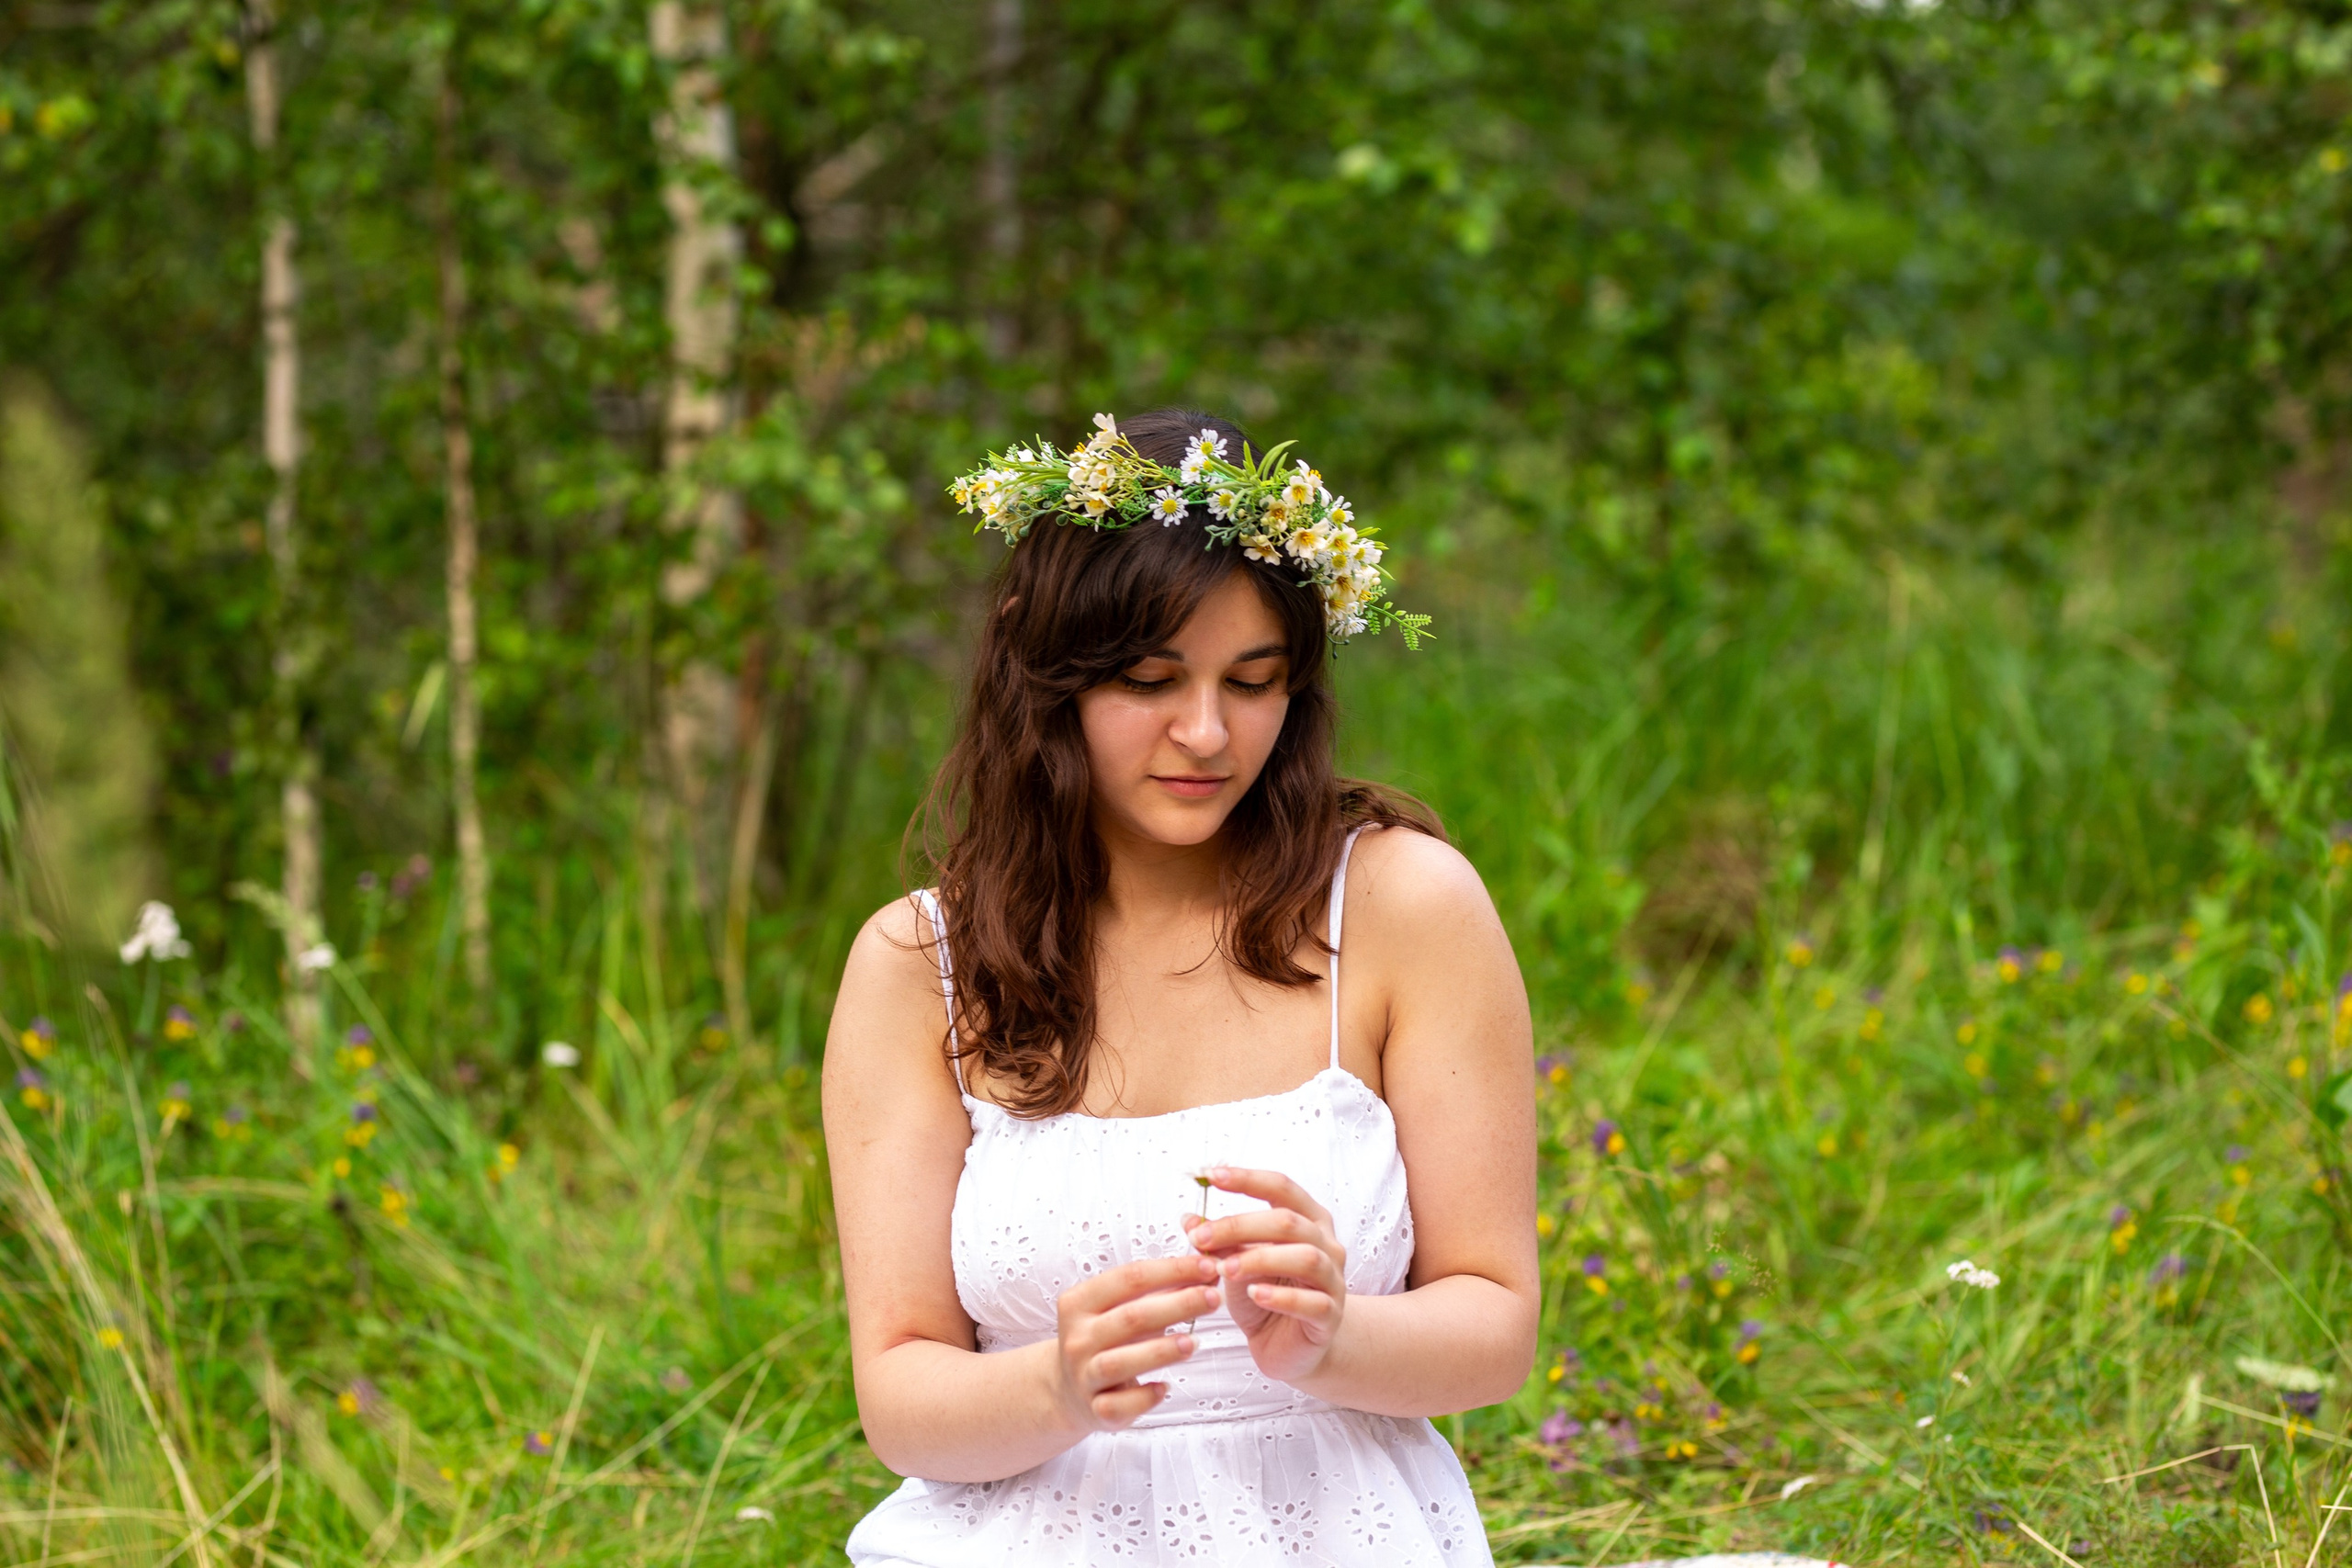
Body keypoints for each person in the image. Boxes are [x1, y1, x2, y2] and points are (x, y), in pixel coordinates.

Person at [823, 408, 1538, 1565]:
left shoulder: (1407, 907)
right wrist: (1054, 1387)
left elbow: (1495, 1328)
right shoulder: (917, 967)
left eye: (1252, 684)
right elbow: (902, 1395)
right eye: (1151, 680)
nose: (1206, 733)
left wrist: (1335, 1337)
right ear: (1044, 680)